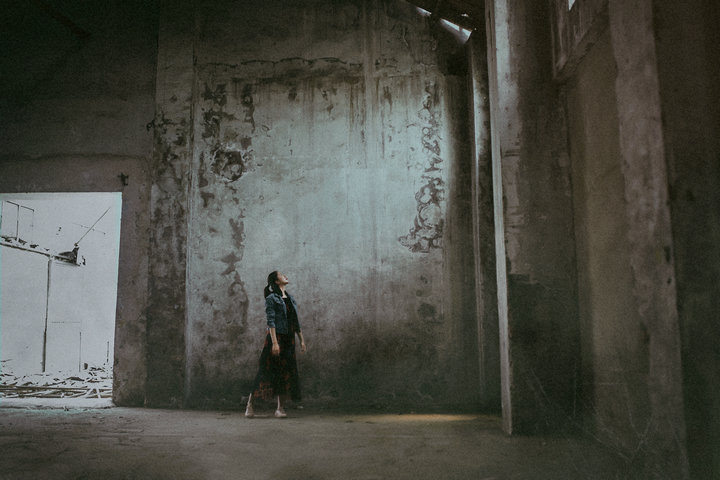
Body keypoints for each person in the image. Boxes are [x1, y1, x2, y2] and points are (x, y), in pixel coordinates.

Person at [245, 271, 306, 418]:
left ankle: (279, 409)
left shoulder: (290, 298)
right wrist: (274, 343)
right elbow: (270, 322)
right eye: (282, 275)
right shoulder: (271, 298)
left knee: (285, 373)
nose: (285, 276)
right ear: (277, 281)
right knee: (265, 372)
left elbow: (295, 322)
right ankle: (249, 405)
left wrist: (301, 340)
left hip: (289, 340)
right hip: (276, 338)